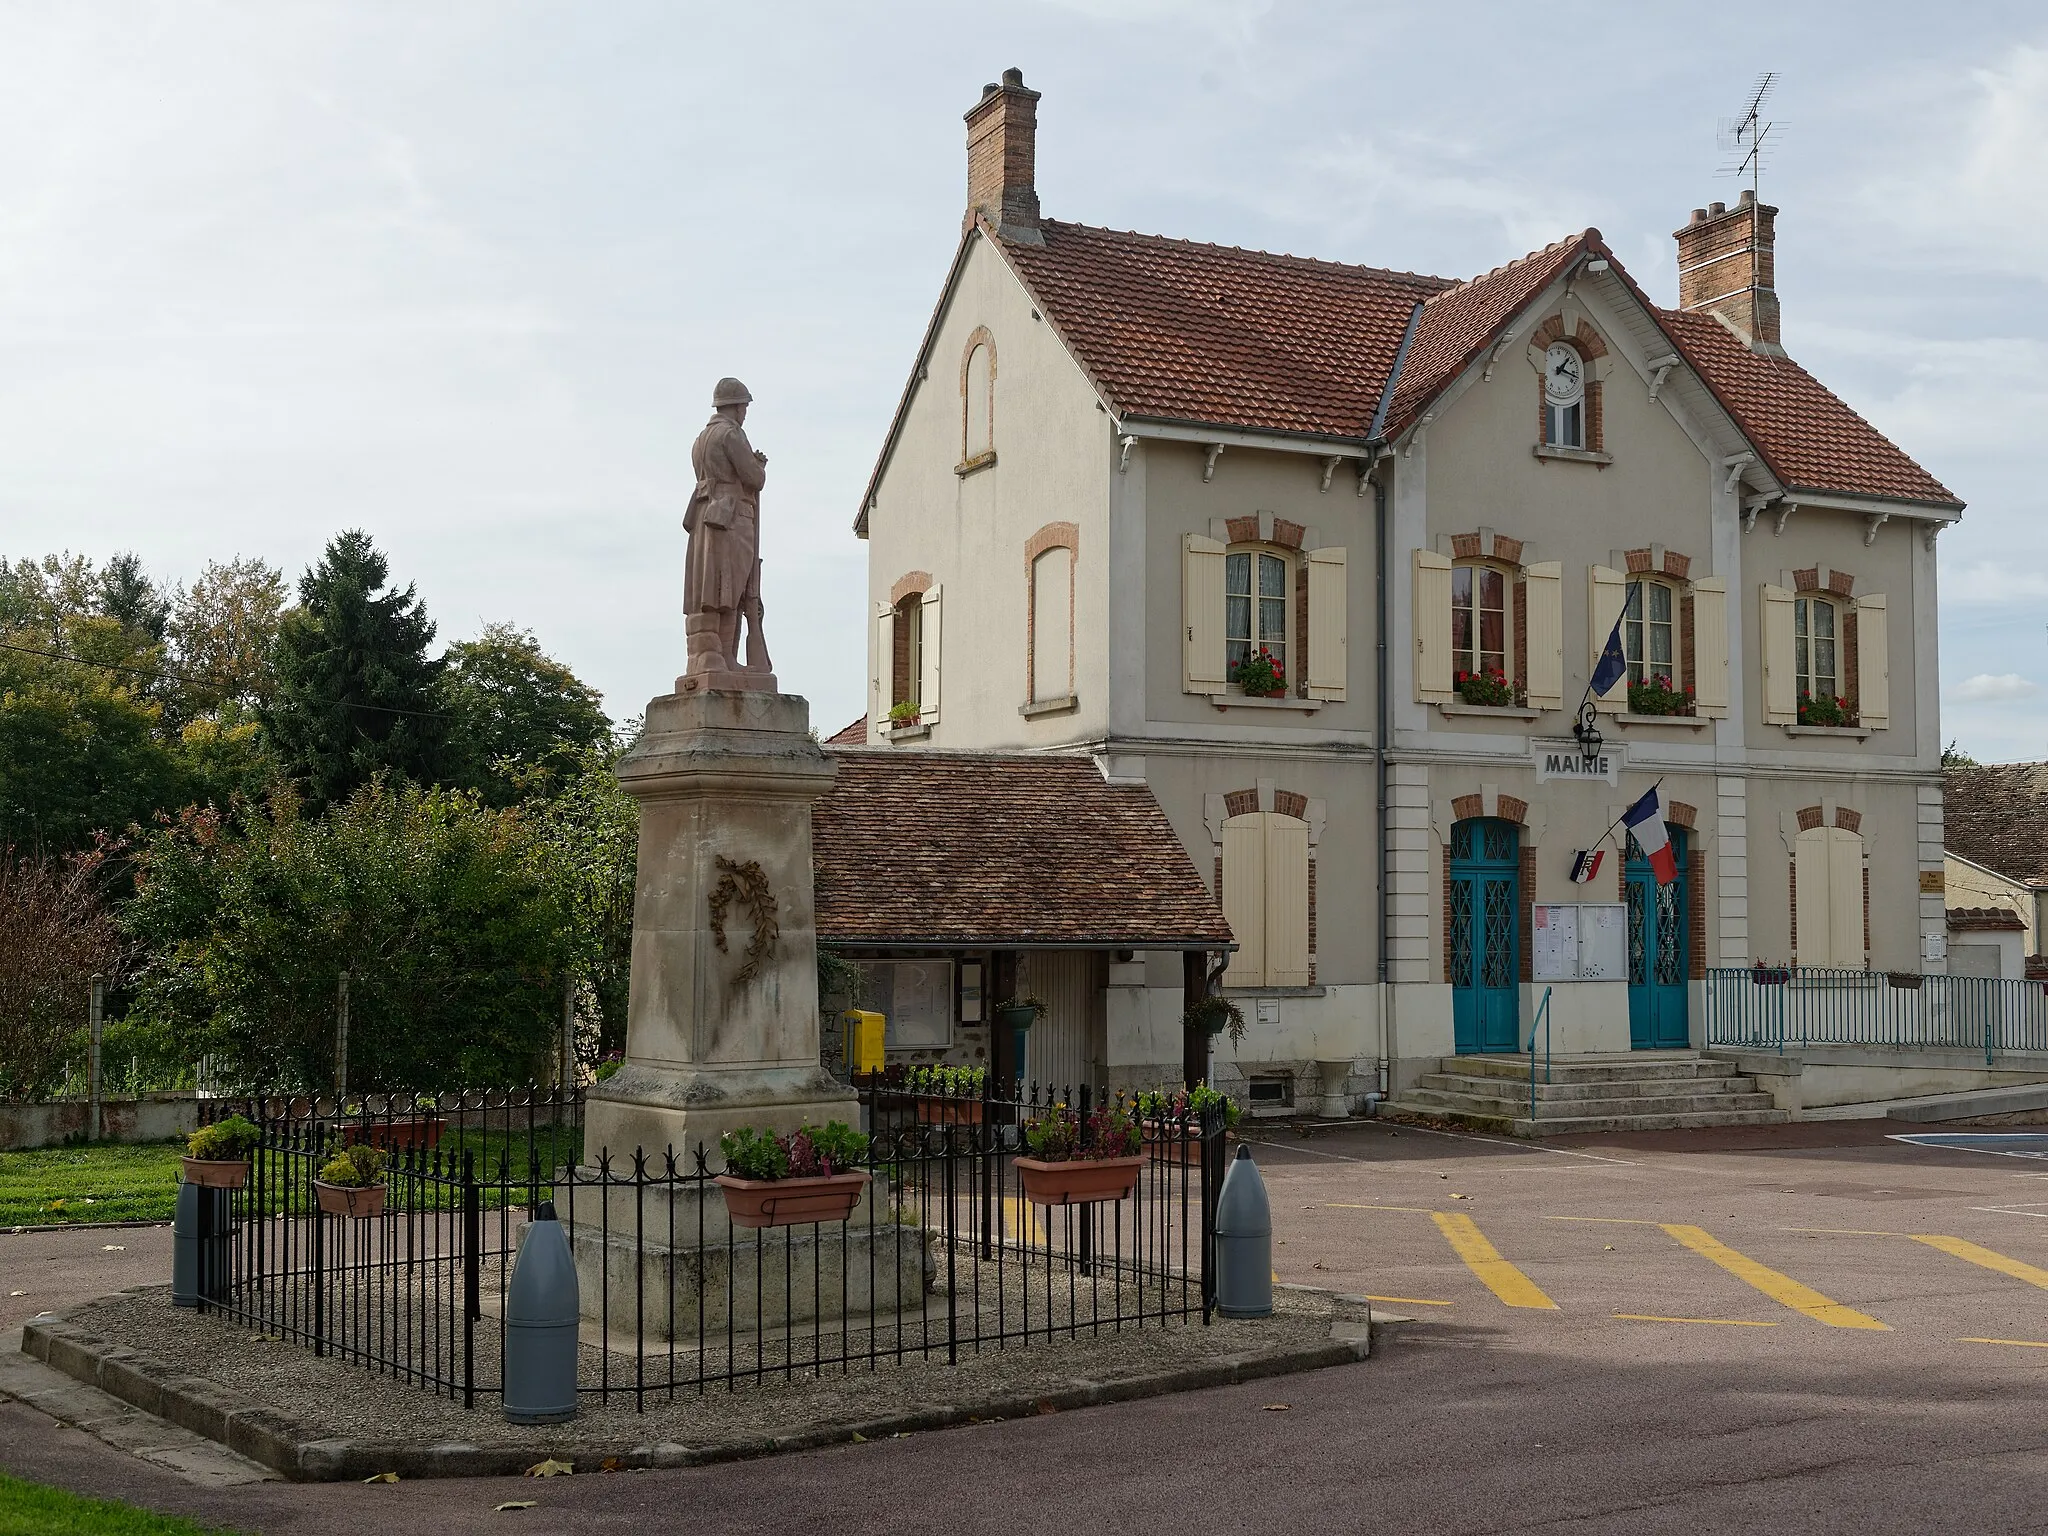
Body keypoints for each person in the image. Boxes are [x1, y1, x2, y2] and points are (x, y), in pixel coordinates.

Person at [682, 377, 774, 684]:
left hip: (706, 516)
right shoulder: (732, 434)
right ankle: (724, 658)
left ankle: (712, 658)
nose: (745, 412)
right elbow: (753, 478)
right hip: (733, 515)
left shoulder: (701, 438)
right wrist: (759, 465)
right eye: (744, 406)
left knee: (711, 587)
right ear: (735, 406)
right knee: (729, 589)